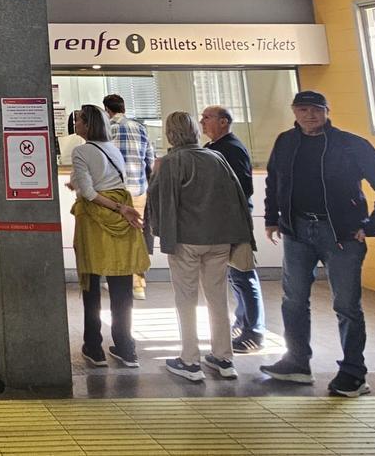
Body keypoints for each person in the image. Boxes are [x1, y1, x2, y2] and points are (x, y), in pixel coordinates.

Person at [261, 90, 375, 398]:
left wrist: (372, 226)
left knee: (346, 305)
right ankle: (297, 362)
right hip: (297, 232)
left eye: (315, 110)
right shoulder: (286, 142)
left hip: (341, 235)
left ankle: (354, 372)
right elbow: (275, 181)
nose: (309, 115)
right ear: (294, 112)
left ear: (327, 111)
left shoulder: (351, 145)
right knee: (293, 300)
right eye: (302, 110)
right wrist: (272, 218)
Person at [148, 112, 255, 383]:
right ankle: (223, 357)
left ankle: (190, 359)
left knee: (186, 299)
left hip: (186, 240)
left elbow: (160, 202)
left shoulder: (172, 162)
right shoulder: (216, 158)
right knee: (218, 298)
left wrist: (159, 235)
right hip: (220, 239)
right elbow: (237, 197)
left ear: (170, 133)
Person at [69, 104, 149, 368]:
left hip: (96, 220)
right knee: (121, 287)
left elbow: (90, 193)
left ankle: (94, 347)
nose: (76, 124)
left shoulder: (81, 150)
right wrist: (123, 208)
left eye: (79, 120)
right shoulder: (113, 148)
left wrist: (117, 206)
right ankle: (126, 348)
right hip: (122, 221)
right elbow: (107, 182)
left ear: (88, 125)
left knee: (91, 285)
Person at [200, 104, 265, 354]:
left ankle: (254, 331)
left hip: (233, 219)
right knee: (233, 274)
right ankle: (242, 321)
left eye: (207, 118)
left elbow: (242, 187)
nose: (202, 122)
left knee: (243, 271)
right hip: (219, 219)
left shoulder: (232, 149)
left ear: (224, 121)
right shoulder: (212, 148)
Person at [103, 94, 156, 299]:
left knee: (115, 236)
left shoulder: (108, 128)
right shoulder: (140, 128)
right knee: (137, 237)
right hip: (138, 190)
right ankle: (139, 285)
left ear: (107, 109)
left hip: (115, 192)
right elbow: (150, 160)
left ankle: (118, 281)